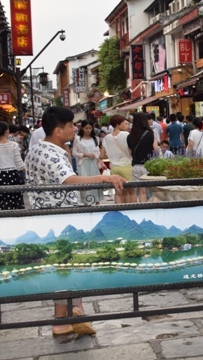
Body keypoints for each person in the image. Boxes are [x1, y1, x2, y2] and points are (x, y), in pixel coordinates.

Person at [25, 107, 127, 337]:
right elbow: (69, 179)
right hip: (59, 217)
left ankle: (76, 311)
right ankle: (64, 318)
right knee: (66, 268)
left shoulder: (37, 149)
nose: (74, 129)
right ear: (59, 130)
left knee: (69, 267)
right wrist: (105, 177)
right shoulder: (50, 153)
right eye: (70, 125)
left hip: (52, 216)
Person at [100, 114, 135, 204]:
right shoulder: (126, 134)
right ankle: (129, 211)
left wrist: (113, 155)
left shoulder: (106, 138)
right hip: (126, 165)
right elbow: (131, 151)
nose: (125, 125)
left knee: (118, 192)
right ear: (118, 124)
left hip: (114, 167)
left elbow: (102, 155)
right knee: (129, 192)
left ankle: (118, 212)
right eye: (123, 123)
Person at [128, 112, 160, 202]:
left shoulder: (130, 136)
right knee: (154, 190)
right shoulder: (150, 133)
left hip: (136, 165)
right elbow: (156, 149)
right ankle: (153, 208)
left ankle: (143, 208)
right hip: (149, 165)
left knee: (141, 191)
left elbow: (130, 152)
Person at [72, 121, 104, 205]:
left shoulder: (95, 138)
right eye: (86, 128)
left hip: (94, 163)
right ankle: (87, 202)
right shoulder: (78, 139)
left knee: (96, 181)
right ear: (82, 128)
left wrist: (98, 159)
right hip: (83, 163)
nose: (88, 130)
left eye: (90, 128)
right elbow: (74, 153)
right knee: (85, 182)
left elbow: (98, 152)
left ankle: (97, 202)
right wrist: (85, 154)